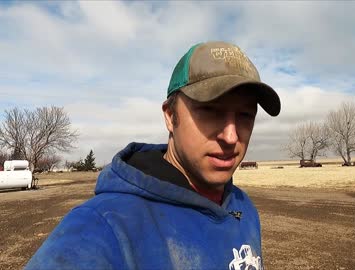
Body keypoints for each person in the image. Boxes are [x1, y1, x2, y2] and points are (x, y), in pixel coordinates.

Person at [25, 41, 281, 270]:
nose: (231, 136)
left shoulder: (241, 206)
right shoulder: (105, 227)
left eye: (245, 116)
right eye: (211, 111)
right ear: (170, 116)